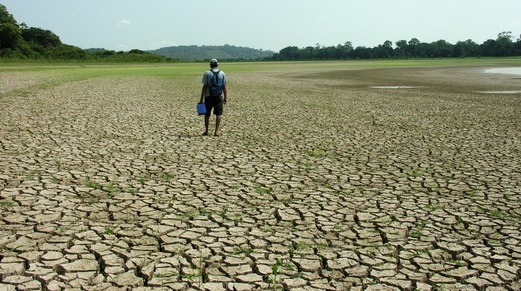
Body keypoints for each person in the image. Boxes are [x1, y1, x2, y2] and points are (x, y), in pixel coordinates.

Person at [199, 59, 227, 136]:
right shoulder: (222, 73)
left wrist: (201, 98)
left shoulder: (207, 73)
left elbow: (204, 86)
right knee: (219, 114)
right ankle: (216, 131)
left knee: (207, 114)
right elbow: (224, 86)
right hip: (219, 96)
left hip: (208, 96)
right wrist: (225, 97)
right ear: (217, 65)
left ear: (210, 65)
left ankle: (206, 130)